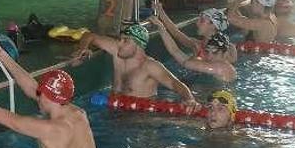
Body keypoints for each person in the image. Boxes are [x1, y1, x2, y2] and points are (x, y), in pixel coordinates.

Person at [71, 24, 199, 109]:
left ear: (138, 45)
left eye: (125, 40)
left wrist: (190, 100)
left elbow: (175, 84)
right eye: (120, 39)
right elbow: (89, 35)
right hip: (112, 108)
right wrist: (83, 49)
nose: (119, 43)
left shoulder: (150, 66)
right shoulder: (117, 51)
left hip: (139, 116)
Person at [148, 15, 236, 83]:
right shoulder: (212, 64)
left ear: (225, 54)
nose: (209, 55)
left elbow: (186, 62)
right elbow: (175, 51)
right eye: (207, 51)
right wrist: (161, 29)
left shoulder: (221, 67)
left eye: (215, 52)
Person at [153, 2, 236, 63]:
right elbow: (176, 34)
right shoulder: (196, 44)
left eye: (202, 21)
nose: (197, 23)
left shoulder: (228, 50)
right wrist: (161, 13)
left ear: (213, 25)